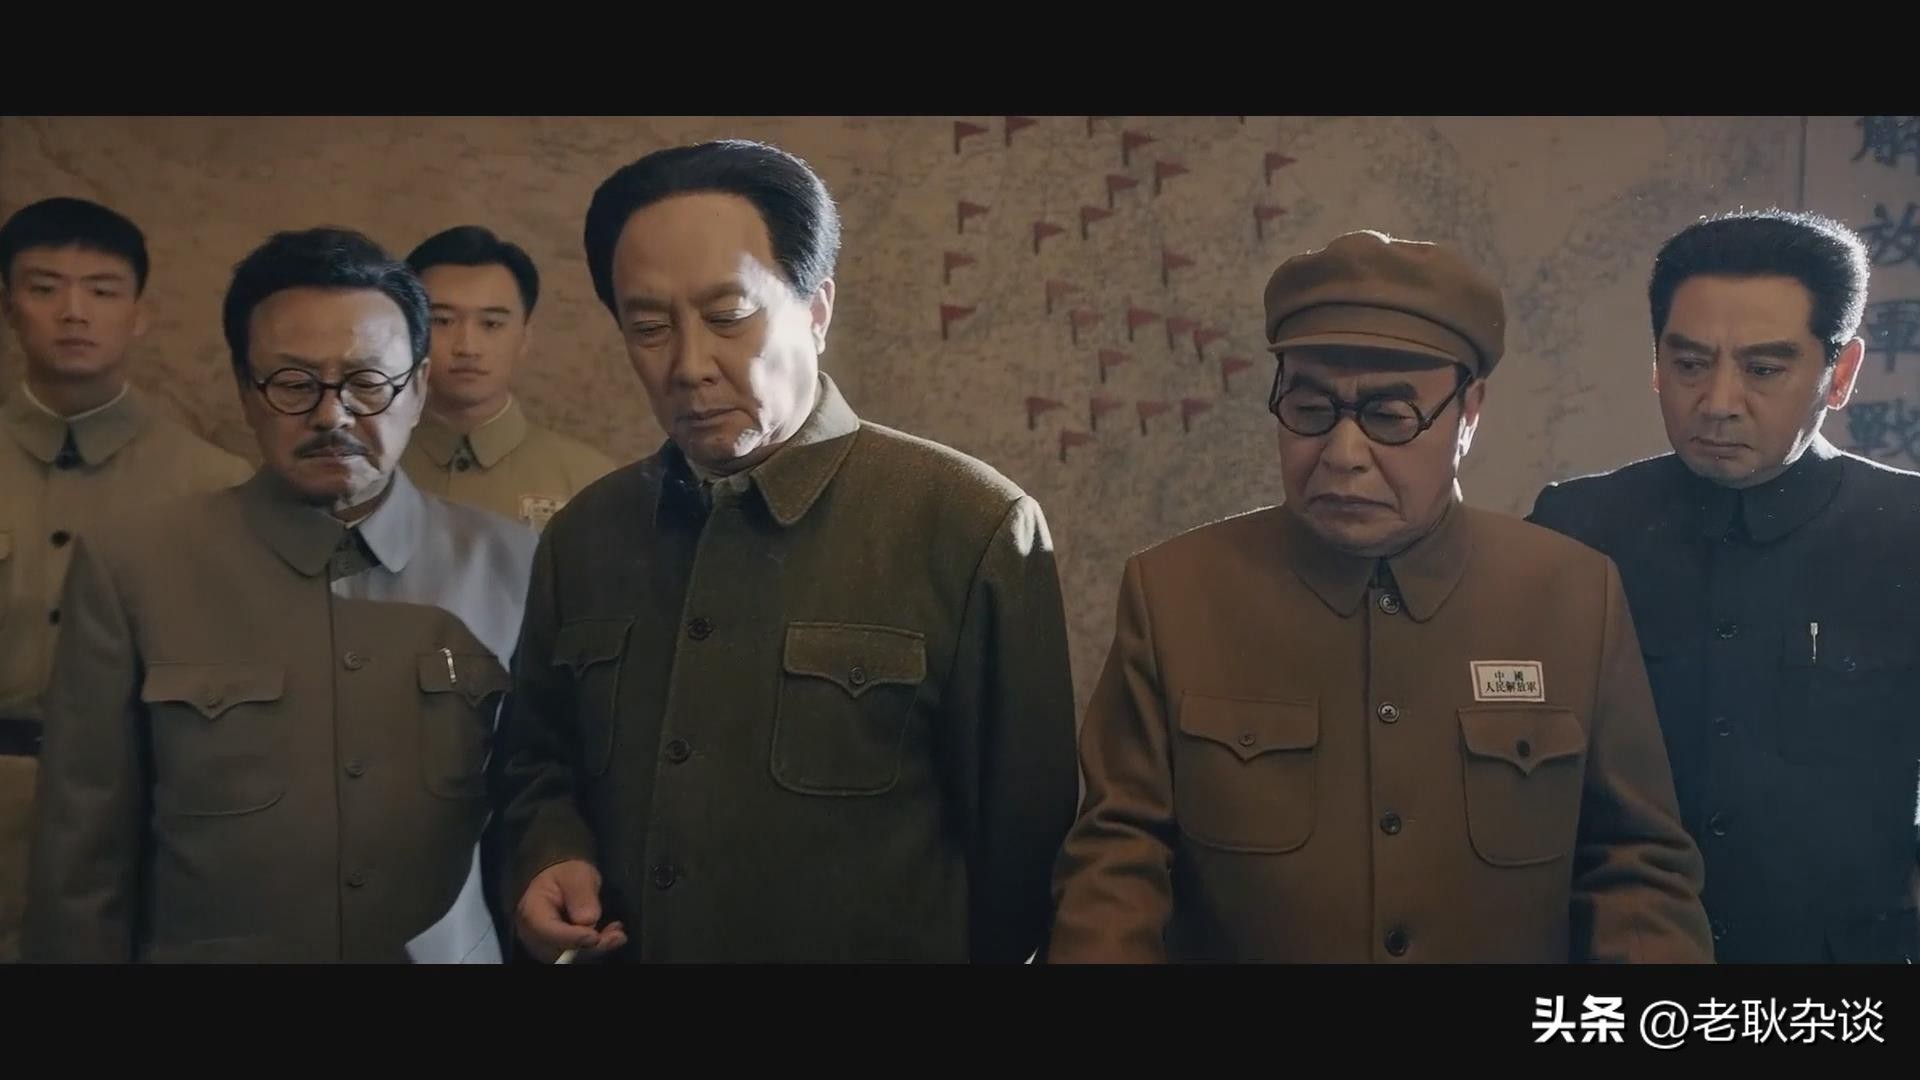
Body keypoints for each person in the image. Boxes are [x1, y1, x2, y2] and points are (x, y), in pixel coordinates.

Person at [1048, 229, 1713, 962]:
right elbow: (1118, 863)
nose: (1342, 455)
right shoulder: (1176, 594)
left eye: (1390, 418)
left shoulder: (1572, 597)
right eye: (1310, 409)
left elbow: (1635, 870)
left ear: (1470, 412)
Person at [490, 139, 1079, 963]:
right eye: (649, 327)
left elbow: (1024, 856)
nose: (689, 366)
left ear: (817, 309)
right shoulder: (585, 535)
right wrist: (547, 852)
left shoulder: (971, 525)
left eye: (729, 316)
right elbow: (535, 763)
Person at [23, 227, 536, 963]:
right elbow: (82, 864)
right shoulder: (132, 569)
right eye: (293, 384)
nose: (332, 416)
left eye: (368, 382)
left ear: (420, 386)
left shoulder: (516, 564)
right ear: (244, 388)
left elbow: (540, 819)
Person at [1527, 208, 1920, 963]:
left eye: (1763, 370)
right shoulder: (1576, 528)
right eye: (1689, 365)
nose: (1718, 402)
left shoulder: (1908, 533)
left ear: (1841, 374)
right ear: (1655, 362)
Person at [0, 197, 251, 962]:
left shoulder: (214, 486)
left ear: (140, 313)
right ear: (9, 306)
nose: (74, 312)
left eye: (103, 290)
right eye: (45, 287)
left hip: (139, 818)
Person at [400, 225, 616, 530]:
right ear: (410, 332)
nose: (467, 347)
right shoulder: (366, 467)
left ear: (525, 338)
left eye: (491, 324)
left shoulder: (590, 482)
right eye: (442, 321)